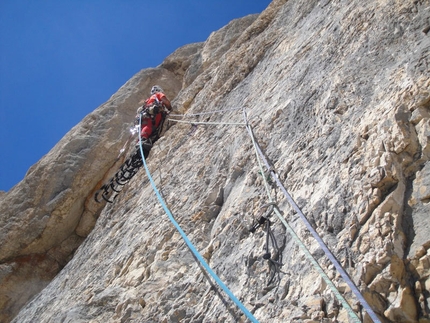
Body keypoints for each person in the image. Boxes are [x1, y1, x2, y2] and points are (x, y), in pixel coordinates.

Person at [135, 85, 172, 151]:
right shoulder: (158, 94)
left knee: (145, 126)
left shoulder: (147, 100)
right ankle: (143, 140)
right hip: (154, 113)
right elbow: (165, 101)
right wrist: (170, 108)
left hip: (145, 116)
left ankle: (141, 141)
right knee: (150, 125)